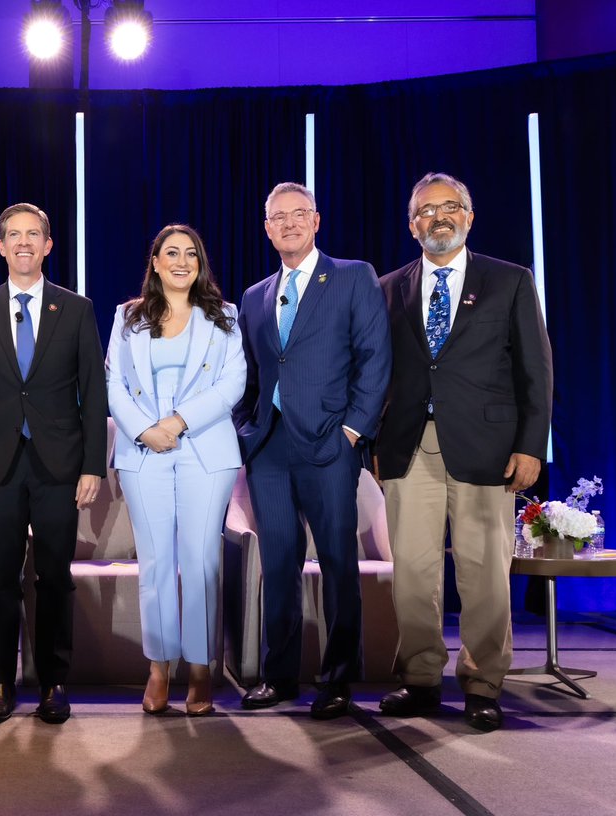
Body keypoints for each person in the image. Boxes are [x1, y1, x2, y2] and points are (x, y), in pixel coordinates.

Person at [375, 172, 552, 732]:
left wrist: (531, 446)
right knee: (414, 574)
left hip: (488, 450)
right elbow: (376, 375)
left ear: (469, 218)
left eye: (450, 207)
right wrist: (374, 444)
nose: (439, 218)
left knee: (484, 573)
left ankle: (483, 682)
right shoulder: (387, 288)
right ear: (412, 225)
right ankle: (422, 677)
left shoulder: (511, 281)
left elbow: (536, 373)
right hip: (409, 449)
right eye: (426, 211)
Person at [233, 182, 391, 719]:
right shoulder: (254, 296)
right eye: (279, 217)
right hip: (270, 447)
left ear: (317, 221)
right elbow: (251, 375)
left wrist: (353, 432)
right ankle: (279, 676)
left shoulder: (352, 276)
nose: (290, 224)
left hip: (331, 442)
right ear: (267, 228)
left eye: (300, 214)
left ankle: (338, 679)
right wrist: (245, 430)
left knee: (338, 563)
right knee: (278, 563)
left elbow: (375, 359)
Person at [0, 203, 107, 724]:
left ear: (48, 244)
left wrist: (93, 466)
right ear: (0, 246)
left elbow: (94, 391)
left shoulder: (77, 308)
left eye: (34, 234)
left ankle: (53, 682)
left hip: (59, 465)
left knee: (54, 576)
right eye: (13, 235)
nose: (23, 242)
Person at [105, 224, 246, 716]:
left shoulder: (224, 317)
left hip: (204, 451)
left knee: (202, 562)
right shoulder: (127, 317)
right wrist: (146, 430)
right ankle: (159, 667)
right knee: (157, 564)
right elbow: (113, 384)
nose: (182, 260)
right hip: (144, 452)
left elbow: (234, 383)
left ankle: (202, 669)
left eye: (191, 253)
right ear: (156, 262)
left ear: (199, 263)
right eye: (172, 253)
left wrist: (179, 422)